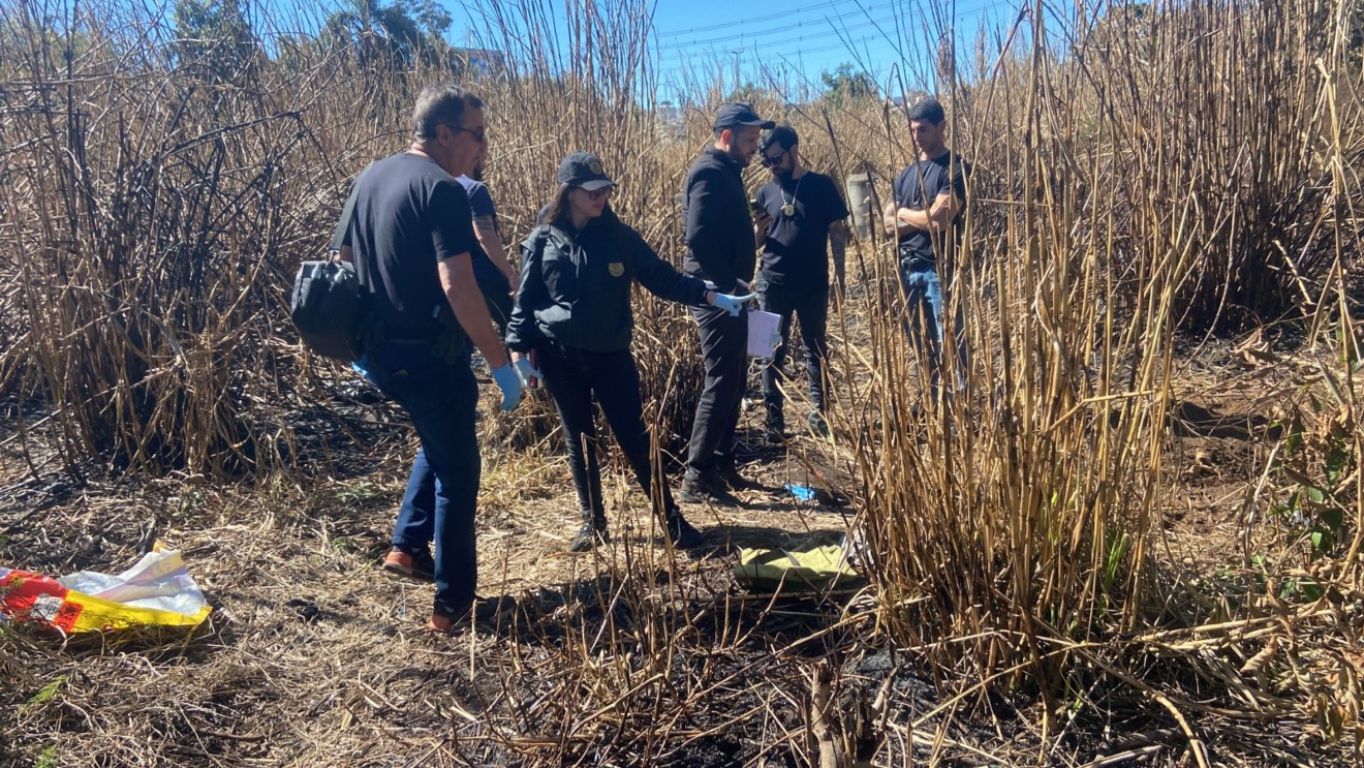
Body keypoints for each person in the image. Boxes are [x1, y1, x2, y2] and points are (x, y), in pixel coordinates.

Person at [505, 152, 751, 552]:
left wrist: (710, 294)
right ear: (569, 193)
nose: (601, 196)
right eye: (592, 191)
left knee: (635, 439)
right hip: (559, 356)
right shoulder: (542, 240)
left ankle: (673, 522)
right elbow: (526, 299)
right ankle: (593, 523)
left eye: (605, 189)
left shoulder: (620, 237)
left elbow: (662, 277)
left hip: (610, 355)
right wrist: (517, 349)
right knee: (579, 439)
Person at [347, 83, 523, 634]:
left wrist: (363, 339)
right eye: (476, 134)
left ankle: (406, 546)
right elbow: (459, 284)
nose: (481, 146)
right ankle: (452, 608)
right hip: (429, 358)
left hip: (381, 355)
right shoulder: (445, 190)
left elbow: (342, 260)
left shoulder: (369, 178)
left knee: (438, 437)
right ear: (444, 133)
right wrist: (500, 362)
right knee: (459, 473)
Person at [677, 102, 775, 504]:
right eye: (750, 140)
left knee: (734, 379)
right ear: (727, 135)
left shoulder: (728, 173)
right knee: (720, 381)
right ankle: (696, 478)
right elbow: (696, 236)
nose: (756, 149)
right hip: (715, 294)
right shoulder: (708, 172)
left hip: (730, 292)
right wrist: (724, 287)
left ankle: (723, 465)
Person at [752, 124, 849, 442]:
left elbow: (836, 231)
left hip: (813, 283)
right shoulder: (765, 192)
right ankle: (773, 420)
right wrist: (758, 231)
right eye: (767, 161)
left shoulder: (821, 185)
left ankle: (820, 415)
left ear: (794, 149)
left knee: (815, 348)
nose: (773, 166)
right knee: (768, 351)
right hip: (771, 283)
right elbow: (755, 244)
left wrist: (840, 277)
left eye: (777, 158)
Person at [882, 98, 971, 402]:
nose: (917, 137)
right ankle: (933, 404)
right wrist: (919, 215)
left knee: (950, 341)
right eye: (913, 130)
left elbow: (940, 221)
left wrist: (906, 213)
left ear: (941, 127)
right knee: (919, 343)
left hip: (941, 269)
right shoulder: (905, 174)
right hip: (907, 269)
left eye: (923, 129)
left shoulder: (955, 168)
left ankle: (959, 409)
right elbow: (887, 224)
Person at [457, 154, 517, 338]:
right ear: (474, 157)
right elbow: (485, 236)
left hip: (458, 275)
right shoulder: (474, 189)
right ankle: (514, 365)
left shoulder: (444, 185)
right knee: (513, 323)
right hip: (486, 275)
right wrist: (510, 275)